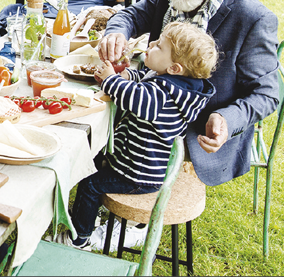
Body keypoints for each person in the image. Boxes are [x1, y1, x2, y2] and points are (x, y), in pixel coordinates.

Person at [98, 0, 280, 187]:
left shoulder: (252, 18)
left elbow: (267, 94)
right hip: (153, 99)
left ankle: (124, 199)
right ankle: (107, 189)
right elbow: (133, 15)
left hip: (197, 129)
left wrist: (227, 119)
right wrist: (116, 32)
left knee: (114, 123)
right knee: (98, 120)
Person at [58, 21, 218, 250]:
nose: (151, 44)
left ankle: (79, 238)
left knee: (89, 183)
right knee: (89, 160)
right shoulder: (174, 84)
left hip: (138, 173)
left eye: (159, 46)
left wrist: (111, 80)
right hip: (139, 163)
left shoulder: (163, 97)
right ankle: (86, 214)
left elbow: (136, 98)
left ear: (174, 68)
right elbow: (145, 78)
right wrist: (125, 75)